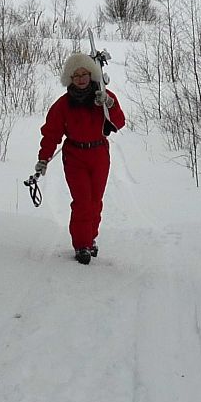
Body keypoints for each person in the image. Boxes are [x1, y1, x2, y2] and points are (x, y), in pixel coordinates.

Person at [35, 51, 127, 264]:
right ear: (70, 79)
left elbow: (119, 123)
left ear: (91, 74)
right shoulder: (63, 104)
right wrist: (43, 158)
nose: (81, 78)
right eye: (76, 76)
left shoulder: (103, 97)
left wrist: (110, 104)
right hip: (75, 156)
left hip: (99, 155)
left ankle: (91, 238)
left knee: (95, 202)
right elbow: (51, 133)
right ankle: (82, 245)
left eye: (84, 73)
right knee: (82, 202)